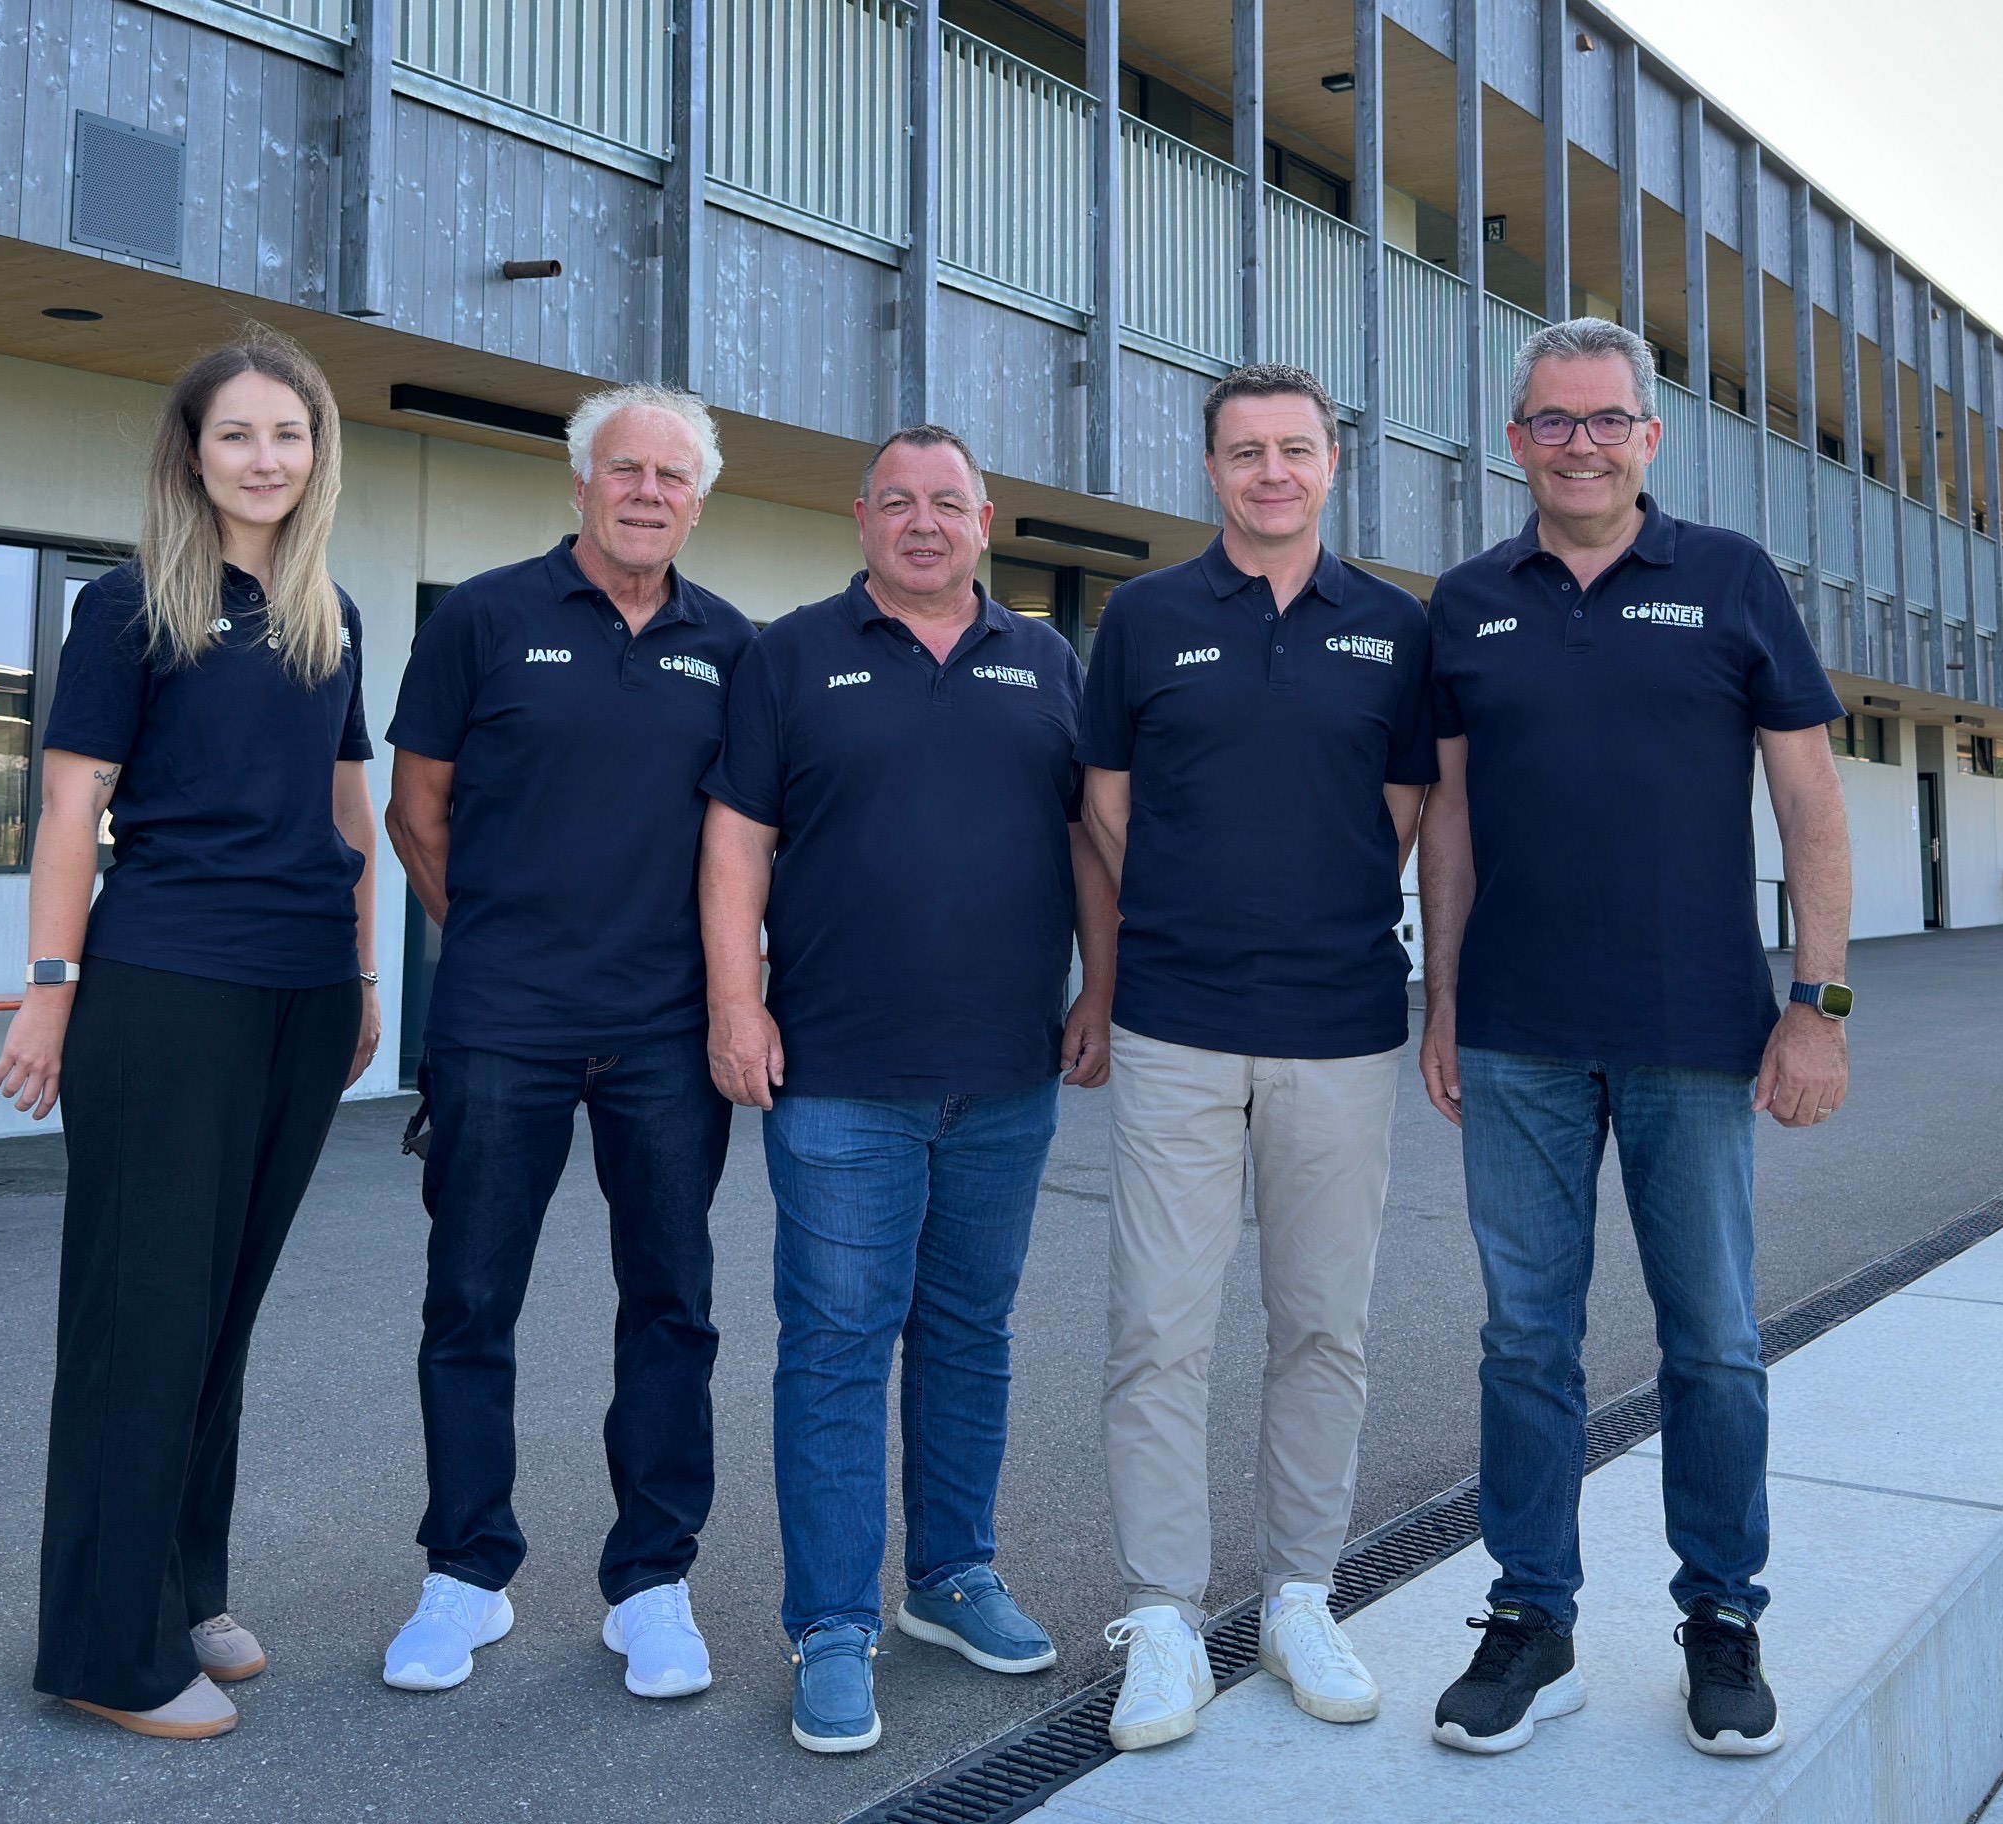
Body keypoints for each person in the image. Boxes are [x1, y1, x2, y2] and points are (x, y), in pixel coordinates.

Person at [1418, 318, 1853, 1759]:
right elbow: (1451, 819)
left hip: (1696, 1029)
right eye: (1554, 421)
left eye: (1608, 420)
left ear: (1650, 437)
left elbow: (1810, 801)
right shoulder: (1466, 602)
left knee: (1714, 1341)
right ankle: (1532, 1620)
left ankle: (1722, 1616)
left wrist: (1819, 1003)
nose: (1582, 445)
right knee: (1523, 1341)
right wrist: (1444, 1000)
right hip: (1518, 1036)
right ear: (1515, 440)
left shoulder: (1730, 576)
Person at [699, 425, 1115, 1754]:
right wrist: (736, 1002)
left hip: (1005, 1073)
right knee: (835, 1345)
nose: (923, 522)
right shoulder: (789, 655)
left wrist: (1101, 987)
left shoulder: (1048, 662)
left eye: (948, 502)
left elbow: (1088, 840)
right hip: (838, 1073)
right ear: (862, 517)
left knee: (968, 1334)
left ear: (986, 521)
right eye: (898, 502)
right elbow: (736, 842)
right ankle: (832, 1625)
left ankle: (950, 1575)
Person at [0, 327, 380, 1741]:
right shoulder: (128, 607)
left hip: (301, 991)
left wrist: (363, 978)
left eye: (290, 434)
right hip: (166, 985)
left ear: (318, 452)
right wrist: (50, 988)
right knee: (141, 1313)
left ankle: (180, 1588)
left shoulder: (332, 612)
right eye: (238, 434)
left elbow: (347, 812)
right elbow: (69, 810)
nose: (266, 459)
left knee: (219, 1308)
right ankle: (109, 1645)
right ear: (193, 453)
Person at [1078, 365, 1434, 1750]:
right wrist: (1193, 910)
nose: (1271, 472)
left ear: (1333, 464)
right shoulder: (1145, 618)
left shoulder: (1393, 628)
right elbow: (1109, 802)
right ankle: (1164, 1616)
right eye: (1245, 452)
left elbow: (1401, 808)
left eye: (1295, 449)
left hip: (1339, 1028)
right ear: (1212, 469)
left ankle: (1299, 1597)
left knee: (1323, 1328)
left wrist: (1310, 910)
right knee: (1158, 1329)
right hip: (1176, 1022)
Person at [379, 383, 754, 1700]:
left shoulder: (734, 646)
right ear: (581, 484)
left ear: (697, 501)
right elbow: (414, 811)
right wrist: (493, 940)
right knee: (471, 1301)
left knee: (671, 1307)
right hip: (503, 1025)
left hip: (667, 1032)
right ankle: (465, 1574)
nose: (648, 493)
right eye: (626, 471)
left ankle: (651, 1583)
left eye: (672, 476)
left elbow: (751, 839)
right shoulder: (484, 619)